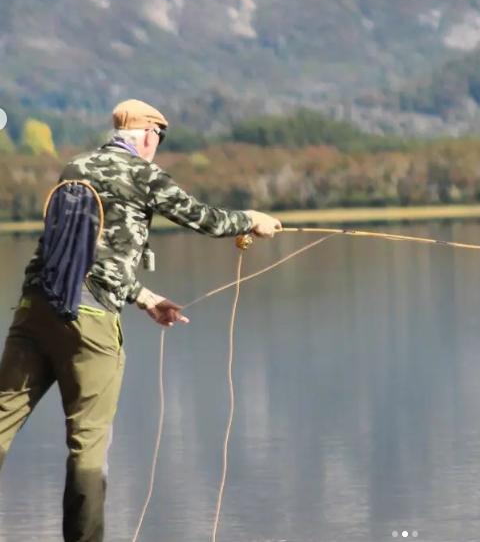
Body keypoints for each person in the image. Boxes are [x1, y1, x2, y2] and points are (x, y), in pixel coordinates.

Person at [0, 99, 281, 542]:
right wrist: (252, 220)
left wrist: (145, 296)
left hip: (33, 309)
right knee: (88, 446)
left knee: (1, 419)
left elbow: (81, 253)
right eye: (159, 138)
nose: (158, 146)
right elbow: (203, 220)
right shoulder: (143, 174)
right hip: (89, 323)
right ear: (149, 135)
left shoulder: (74, 166)